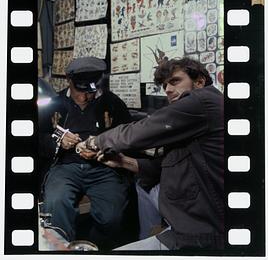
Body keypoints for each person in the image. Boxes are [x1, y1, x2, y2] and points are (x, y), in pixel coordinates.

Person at [77, 57, 224, 250]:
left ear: (199, 81)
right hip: (192, 215)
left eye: (175, 81)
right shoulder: (192, 118)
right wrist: (122, 161)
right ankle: (152, 236)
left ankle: (157, 241)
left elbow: (141, 129)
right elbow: (165, 163)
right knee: (143, 185)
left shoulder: (203, 100)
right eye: (165, 85)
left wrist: (95, 141)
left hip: (205, 231)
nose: (169, 90)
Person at [39, 56, 134, 250]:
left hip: (103, 166)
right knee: (56, 205)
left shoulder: (111, 102)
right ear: (68, 80)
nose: (86, 97)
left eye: (91, 92)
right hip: (65, 166)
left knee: (112, 216)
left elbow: (127, 135)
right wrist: (58, 141)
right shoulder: (53, 104)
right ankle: (63, 249)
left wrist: (103, 147)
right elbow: (38, 139)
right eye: (80, 91)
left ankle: (93, 247)